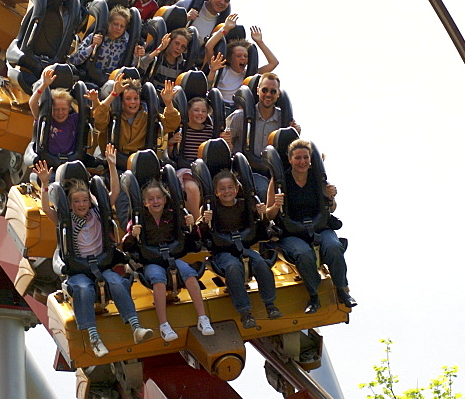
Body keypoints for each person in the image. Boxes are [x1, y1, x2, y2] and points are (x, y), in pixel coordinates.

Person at [35, 146, 153, 358]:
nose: (82, 205)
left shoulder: (97, 213)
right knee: (84, 289)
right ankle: (94, 337)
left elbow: (115, 192)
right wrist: (45, 184)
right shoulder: (66, 220)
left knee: (117, 282)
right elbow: (46, 209)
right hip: (78, 268)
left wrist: (111, 165)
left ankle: (136, 327)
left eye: (85, 200)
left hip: (101, 262)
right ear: (70, 204)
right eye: (77, 202)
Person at [265, 139, 357, 314]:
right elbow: (268, 215)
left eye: (305, 158)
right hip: (292, 232)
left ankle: (341, 289)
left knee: (334, 247)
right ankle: (314, 296)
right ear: (290, 159)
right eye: (298, 158)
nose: (302, 162)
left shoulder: (318, 178)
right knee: (303, 254)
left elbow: (331, 208)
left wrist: (332, 197)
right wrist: (276, 205)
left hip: (320, 227)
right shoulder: (279, 181)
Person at [122, 180, 214, 341]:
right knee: (159, 281)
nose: (155, 201)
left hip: (172, 257)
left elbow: (193, 237)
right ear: (144, 203)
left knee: (190, 274)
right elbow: (125, 245)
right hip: (152, 261)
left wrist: (192, 226)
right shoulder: (138, 220)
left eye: (159, 198)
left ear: (165, 199)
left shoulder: (172, 215)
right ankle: (164, 324)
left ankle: (203, 318)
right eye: (151, 199)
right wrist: (132, 235)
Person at [89, 76, 181, 226]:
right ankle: (128, 229)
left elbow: (171, 123)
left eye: (136, 98)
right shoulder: (112, 117)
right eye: (128, 99)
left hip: (141, 165)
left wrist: (168, 103)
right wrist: (113, 94)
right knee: (123, 193)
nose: (133, 102)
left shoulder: (146, 117)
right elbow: (98, 119)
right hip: (117, 166)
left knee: (159, 188)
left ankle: (161, 226)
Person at [200, 169, 280, 329]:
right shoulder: (211, 209)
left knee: (261, 263)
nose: (227, 192)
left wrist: (262, 215)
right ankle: (245, 313)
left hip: (245, 247)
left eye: (230, 188)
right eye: (222, 189)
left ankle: (270, 304)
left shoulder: (245, 204)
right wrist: (202, 221)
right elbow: (201, 232)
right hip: (223, 252)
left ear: (236, 189)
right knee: (233, 268)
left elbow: (260, 227)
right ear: (216, 192)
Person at [226, 72, 299, 197]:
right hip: (247, 171)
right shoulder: (239, 117)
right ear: (258, 90)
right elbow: (227, 147)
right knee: (264, 191)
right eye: (265, 90)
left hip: (273, 173)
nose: (268, 95)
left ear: (278, 94)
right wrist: (227, 140)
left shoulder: (284, 121)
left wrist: (295, 135)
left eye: (273, 91)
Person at [206, 26, 279, 112]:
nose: (243, 58)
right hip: (218, 105)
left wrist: (260, 42)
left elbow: (273, 63)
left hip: (237, 109)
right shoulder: (222, 70)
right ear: (230, 59)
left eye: (245, 56)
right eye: (238, 56)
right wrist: (225, 27)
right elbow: (209, 47)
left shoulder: (248, 75)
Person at [169, 96, 218, 221]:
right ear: (188, 112)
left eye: (203, 111)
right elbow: (170, 154)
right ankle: (198, 221)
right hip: (187, 171)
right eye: (196, 110)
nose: (200, 114)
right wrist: (171, 142)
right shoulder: (182, 130)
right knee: (192, 188)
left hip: (205, 171)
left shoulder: (210, 132)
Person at [69, 5, 144, 83]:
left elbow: (131, 71)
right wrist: (92, 46)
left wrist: (136, 56)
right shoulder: (94, 37)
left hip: (112, 83)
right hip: (88, 78)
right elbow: (74, 60)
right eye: (115, 24)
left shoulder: (127, 44)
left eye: (122, 26)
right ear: (108, 23)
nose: (118, 28)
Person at [29, 66, 79, 158]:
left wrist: (95, 100)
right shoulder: (46, 119)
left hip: (69, 161)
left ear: (69, 109)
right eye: (56, 109)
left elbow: (93, 114)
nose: (60, 113)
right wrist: (44, 85)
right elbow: (32, 103)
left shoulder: (73, 120)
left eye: (63, 109)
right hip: (48, 161)